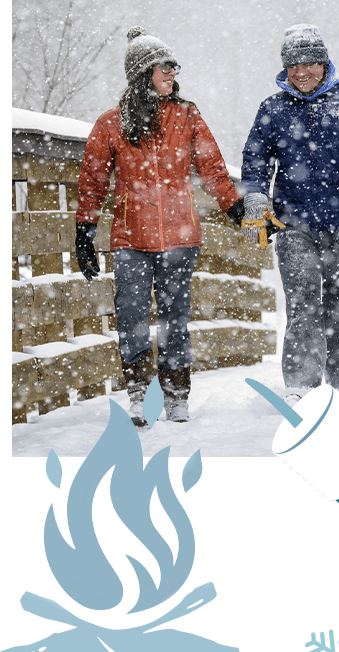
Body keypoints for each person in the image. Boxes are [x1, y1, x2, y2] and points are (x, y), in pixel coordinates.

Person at [75, 26, 244, 425]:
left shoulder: (187, 115)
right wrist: (84, 230)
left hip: (180, 237)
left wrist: (234, 207)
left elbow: (212, 168)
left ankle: (176, 395)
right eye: (164, 66)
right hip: (130, 239)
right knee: (131, 316)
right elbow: (92, 180)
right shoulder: (110, 124)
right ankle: (138, 395)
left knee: (174, 319)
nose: (172, 73)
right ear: (142, 72)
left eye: (173, 66)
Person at [240, 24, 339, 403]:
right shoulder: (272, 108)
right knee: (303, 306)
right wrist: (256, 202)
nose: (301, 72)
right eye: (293, 65)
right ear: (284, 68)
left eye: (309, 63)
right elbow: (255, 161)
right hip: (293, 226)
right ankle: (301, 390)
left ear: (324, 63)